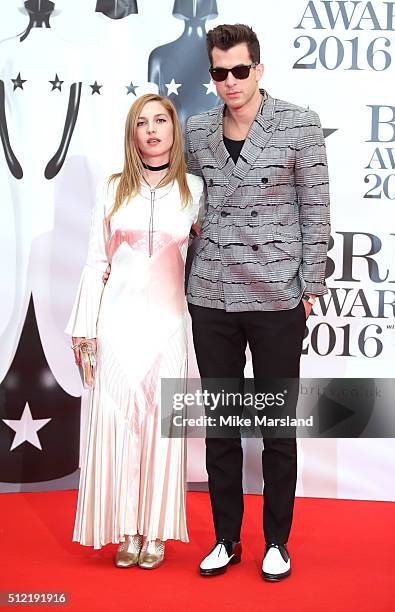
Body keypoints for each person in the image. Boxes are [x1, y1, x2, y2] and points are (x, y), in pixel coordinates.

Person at [185, 24, 330, 581]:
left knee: (276, 427)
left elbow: (315, 209)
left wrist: (309, 286)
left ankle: (277, 541)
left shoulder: (299, 124)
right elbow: (179, 202)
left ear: (259, 70)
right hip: (212, 299)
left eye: (239, 71)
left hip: (275, 302)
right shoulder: (196, 132)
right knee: (220, 425)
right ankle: (226, 537)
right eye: (219, 73)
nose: (229, 82)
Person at [66, 93, 204, 569]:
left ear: (173, 129)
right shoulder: (111, 189)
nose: (151, 130)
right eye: (141, 122)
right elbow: (95, 262)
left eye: (160, 120)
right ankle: (125, 529)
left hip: (168, 326)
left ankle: (157, 531)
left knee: (164, 431)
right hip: (117, 325)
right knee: (117, 424)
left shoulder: (195, 189)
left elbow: (206, 263)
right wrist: (84, 330)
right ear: (132, 133)